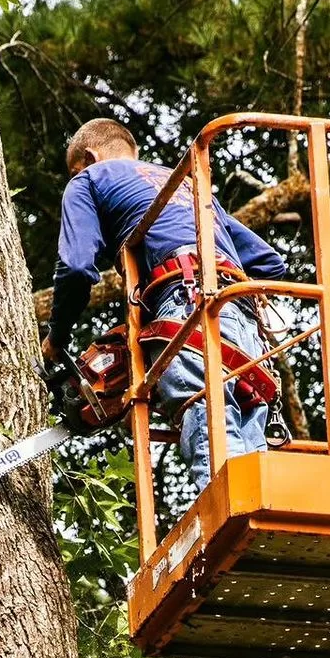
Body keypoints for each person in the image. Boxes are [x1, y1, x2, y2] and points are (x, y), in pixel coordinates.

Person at [41, 118, 287, 491]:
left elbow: (76, 267)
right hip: (243, 316)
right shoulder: (190, 188)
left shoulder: (89, 180)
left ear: (88, 156)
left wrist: (56, 339)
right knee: (250, 451)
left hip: (187, 302)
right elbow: (270, 264)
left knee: (210, 425)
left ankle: (232, 528)